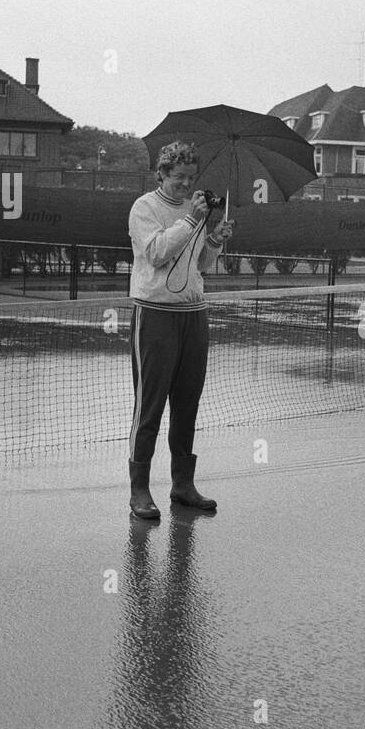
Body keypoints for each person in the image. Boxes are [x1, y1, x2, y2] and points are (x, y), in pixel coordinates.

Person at [126, 141, 234, 519]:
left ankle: (183, 485)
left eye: (191, 179)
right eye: (179, 179)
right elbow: (156, 253)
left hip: (194, 314)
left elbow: (200, 263)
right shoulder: (145, 208)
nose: (186, 186)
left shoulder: (197, 212)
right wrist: (190, 220)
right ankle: (139, 490)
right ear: (162, 174)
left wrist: (215, 241)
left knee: (187, 403)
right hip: (155, 314)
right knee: (150, 405)